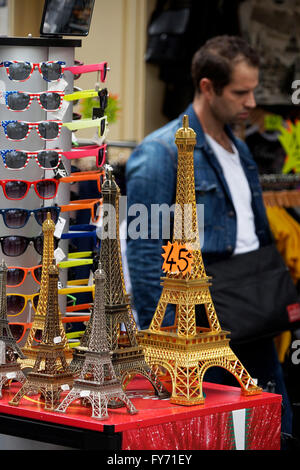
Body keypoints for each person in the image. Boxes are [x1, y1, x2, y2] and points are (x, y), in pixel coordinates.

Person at [125, 35, 293, 437]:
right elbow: (145, 249)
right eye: (241, 92)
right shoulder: (159, 153)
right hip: (200, 317)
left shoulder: (239, 149)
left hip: (251, 311)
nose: (251, 103)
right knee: (216, 436)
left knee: (275, 429)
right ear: (207, 87)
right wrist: (165, 339)